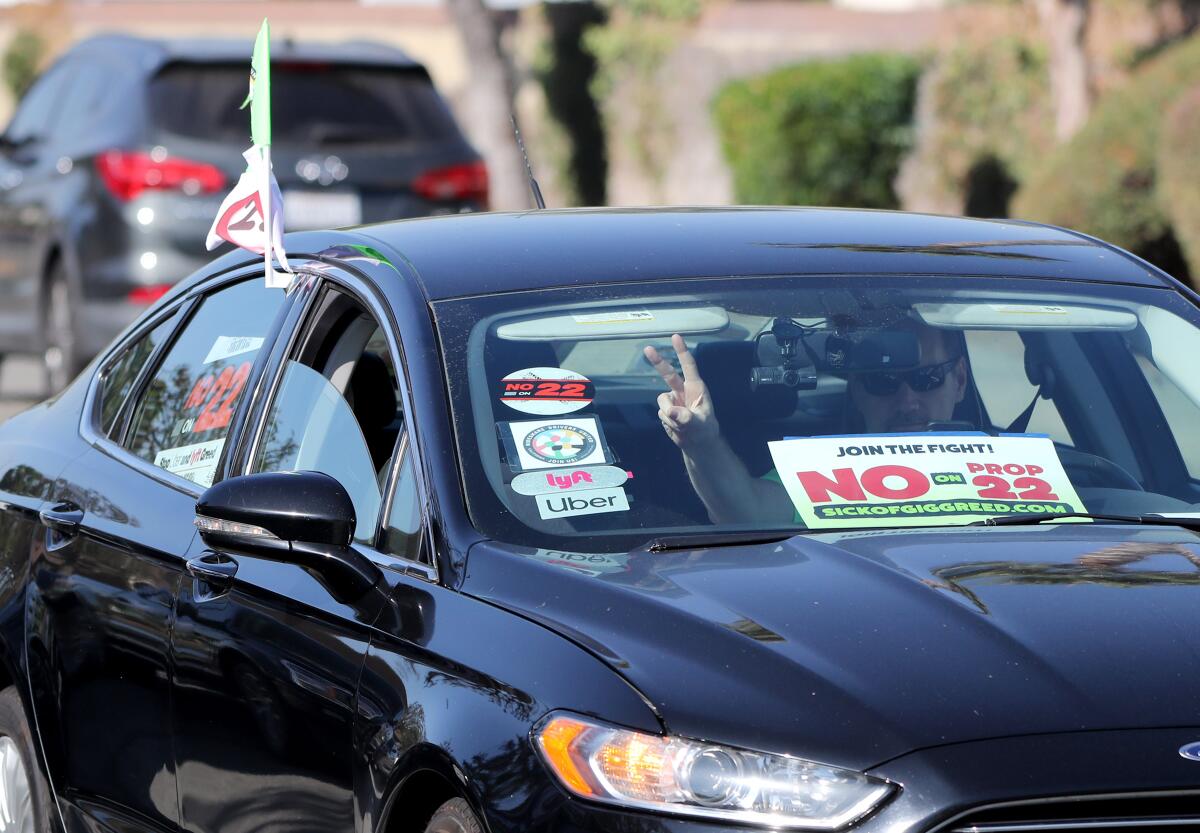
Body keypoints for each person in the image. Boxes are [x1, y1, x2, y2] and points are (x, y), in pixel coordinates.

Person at [644, 321, 969, 525]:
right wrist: (702, 442)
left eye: (926, 378)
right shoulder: (826, 471)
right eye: (882, 381)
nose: (907, 401)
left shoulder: (1013, 461)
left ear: (960, 380)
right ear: (856, 391)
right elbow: (746, 513)